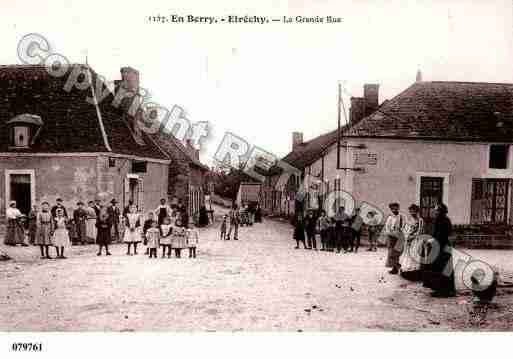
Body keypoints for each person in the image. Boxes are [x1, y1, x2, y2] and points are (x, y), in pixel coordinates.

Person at [422, 203, 456, 297]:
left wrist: (430, 240)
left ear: (441, 211)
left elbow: (441, 236)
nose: (435, 212)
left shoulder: (445, 221)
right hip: (439, 247)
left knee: (443, 268)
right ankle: (439, 288)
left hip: (443, 247)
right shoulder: (438, 220)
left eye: (437, 210)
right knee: (438, 268)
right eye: (435, 210)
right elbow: (436, 234)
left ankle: (444, 291)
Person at [399, 204, 425, 281]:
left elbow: (420, 231)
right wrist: (407, 236)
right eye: (410, 210)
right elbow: (404, 229)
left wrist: (413, 236)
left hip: (416, 240)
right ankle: (407, 272)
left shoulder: (420, 220)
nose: (412, 212)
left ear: (417, 211)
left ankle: (415, 273)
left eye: (414, 211)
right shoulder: (408, 220)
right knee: (407, 255)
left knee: (415, 255)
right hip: (408, 240)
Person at [384, 203, 406, 274]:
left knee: (397, 252)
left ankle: (397, 267)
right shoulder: (390, 217)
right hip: (391, 236)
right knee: (391, 253)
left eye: (396, 208)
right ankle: (395, 267)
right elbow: (387, 227)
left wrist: (401, 231)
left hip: (399, 236)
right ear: (391, 209)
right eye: (392, 209)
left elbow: (404, 226)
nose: (394, 210)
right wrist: (390, 233)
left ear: (398, 208)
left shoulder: (402, 216)